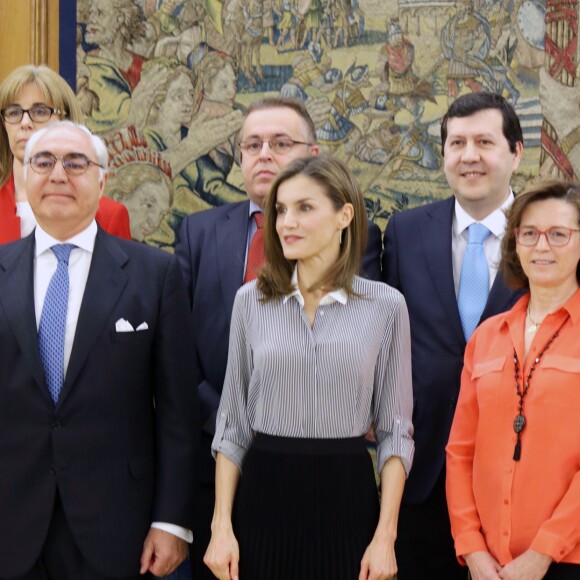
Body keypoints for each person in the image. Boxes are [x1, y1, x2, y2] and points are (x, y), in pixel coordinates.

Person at [175, 95, 382, 580]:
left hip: (321, 474)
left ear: (313, 151)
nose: (263, 153)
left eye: (280, 143)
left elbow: (356, 344)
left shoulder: (360, 245)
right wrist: (231, 419)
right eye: (252, 144)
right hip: (213, 464)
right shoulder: (197, 231)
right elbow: (176, 349)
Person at [0, 121, 198, 580]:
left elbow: (177, 414)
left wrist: (171, 521)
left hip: (117, 526)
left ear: (103, 180)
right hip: (11, 521)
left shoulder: (156, 275)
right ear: (25, 176)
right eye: (43, 162)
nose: (58, 174)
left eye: (76, 163)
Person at [204, 154, 414, 579]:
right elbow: (232, 426)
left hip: (348, 498)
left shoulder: (386, 307)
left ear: (344, 216)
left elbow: (395, 432)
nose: (286, 223)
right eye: (280, 210)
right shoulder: (250, 301)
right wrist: (221, 526)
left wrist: (385, 536)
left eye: (304, 208)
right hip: (263, 496)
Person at [382, 91, 525, 579]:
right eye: (456, 142)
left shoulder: (549, 234)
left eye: (485, 141)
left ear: (516, 152)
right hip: (422, 478)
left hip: (520, 478)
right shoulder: (403, 233)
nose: (469, 156)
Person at [447, 179, 580, 579]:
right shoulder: (487, 336)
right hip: (487, 566)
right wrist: (470, 548)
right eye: (529, 234)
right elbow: (460, 452)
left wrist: (542, 552)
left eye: (559, 234)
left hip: (566, 561)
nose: (542, 247)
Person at [0, 64, 131, 243]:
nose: (25, 122)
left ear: (66, 120)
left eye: (39, 111)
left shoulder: (109, 216)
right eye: (14, 112)